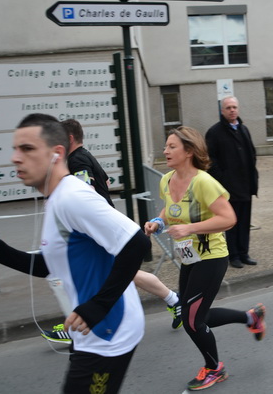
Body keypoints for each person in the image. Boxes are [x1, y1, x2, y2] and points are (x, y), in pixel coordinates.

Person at [0, 114, 148, 393]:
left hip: (109, 332)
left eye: (27, 149)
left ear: (57, 154)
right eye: (15, 149)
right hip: (87, 331)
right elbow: (50, 266)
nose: (15, 158)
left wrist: (98, 306)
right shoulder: (56, 200)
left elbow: (137, 243)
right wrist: (2, 253)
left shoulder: (73, 198)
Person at [144, 126, 266, 391]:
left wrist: (189, 228)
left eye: (171, 146)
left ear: (188, 151)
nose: (165, 151)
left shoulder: (204, 182)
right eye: (165, 146)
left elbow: (229, 219)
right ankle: (251, 318)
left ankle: (214, 369)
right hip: (189, 257)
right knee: (197, 316)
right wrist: (157, 221)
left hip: (212, 257)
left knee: (191, 320)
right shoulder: (167, 180)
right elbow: (170, 209)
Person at [40, 120, 183, 344]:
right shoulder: (85, 156)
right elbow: (105, 180)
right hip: (101, 228)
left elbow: (84, 191)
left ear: (68, 139)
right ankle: (175, 301)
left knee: (94, 274)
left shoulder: (76, 160)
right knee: (121, 273)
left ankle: (77, 325)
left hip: (96, 231)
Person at [206, 96, 259, 269]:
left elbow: (252, 154)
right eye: (228, 107)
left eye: (234, 107)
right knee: (231, 223)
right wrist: (223, 179)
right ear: (222, 111)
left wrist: (253, 178)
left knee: (244, 222)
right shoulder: (215, 132)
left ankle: (244, 253)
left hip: (246, 185)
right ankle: (233, 255)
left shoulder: (243, 129)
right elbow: (210, 160)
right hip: (228, 188)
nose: (232, 110)